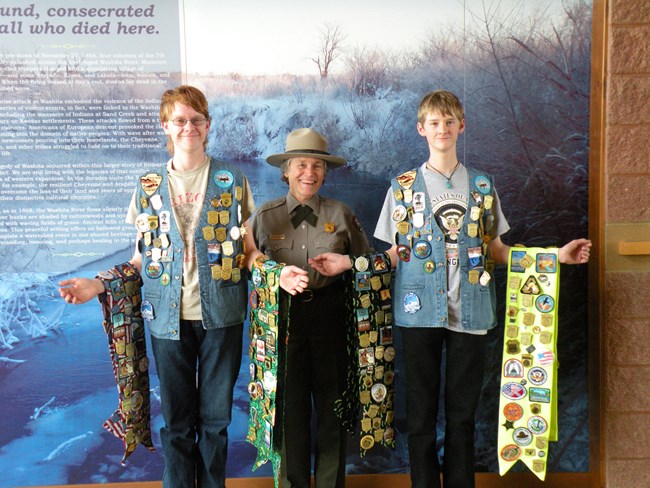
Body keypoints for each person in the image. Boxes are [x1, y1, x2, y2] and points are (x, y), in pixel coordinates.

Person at [309, 90, 591, 488]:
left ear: (462, 126)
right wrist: (346, 263)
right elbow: (394, 256)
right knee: (421, 418)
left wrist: (555, 256)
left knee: (462, 417)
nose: (442, 129)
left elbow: (496, 251)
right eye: (434, 123)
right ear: (421, 129)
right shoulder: (402, 188)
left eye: (449, 121)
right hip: (417, 312)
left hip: (471, 314)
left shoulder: (481, 185)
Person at [59, 85, 307, 488]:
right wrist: (98, 285)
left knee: (215, 421)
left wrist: (276, 273)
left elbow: (248, 252)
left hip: (221, 315)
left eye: (196, 120)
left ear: (207, 126)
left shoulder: (231, 180)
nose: (188, 127)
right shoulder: (149, 185)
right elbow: (142, 261)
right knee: (175, 423)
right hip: (166, 318)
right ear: (166, 126)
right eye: (180, 120)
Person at [250, 128, 371, 488]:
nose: (309, 173)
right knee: (289, 414)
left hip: (331, 317)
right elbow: (247, 263)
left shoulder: (342, 213)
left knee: (334, 412)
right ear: (285, 170)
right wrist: (275, 275)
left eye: (317, 165)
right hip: (284, 320)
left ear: (325, 171)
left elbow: (366, 263)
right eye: (301, 164)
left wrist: (346, 263)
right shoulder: (265, 215)